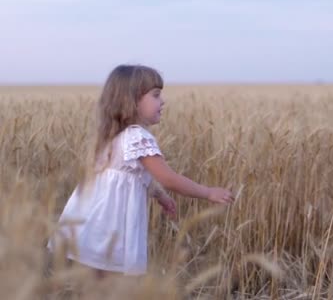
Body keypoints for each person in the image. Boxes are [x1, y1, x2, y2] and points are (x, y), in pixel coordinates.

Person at [47, 64, 235, 277]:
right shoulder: (138, 137)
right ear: (132, 100)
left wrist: (158, 194)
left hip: (96, 221)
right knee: (113, 281)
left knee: (99, 280)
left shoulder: (113, 135)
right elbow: (168, 178)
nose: (162, 101)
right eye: (155, 95)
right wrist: (208, 192)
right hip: (113, 225)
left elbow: (130, 173)